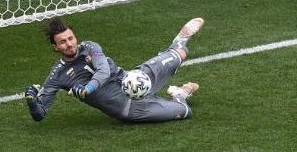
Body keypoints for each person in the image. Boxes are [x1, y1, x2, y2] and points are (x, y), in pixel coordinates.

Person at [24, 16, 204, 123]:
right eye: (63, 42)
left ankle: (179, 40)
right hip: (130, 109)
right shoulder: (57, 75)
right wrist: (32, 103)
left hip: (134, 80)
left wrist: (87, 89)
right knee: (185, 112)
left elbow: (103, 72)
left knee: (181, 52)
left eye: (71, 38)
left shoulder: (90, 47)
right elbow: (40, 114)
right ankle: (180, 95)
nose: (69, 44)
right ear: (55, 47)